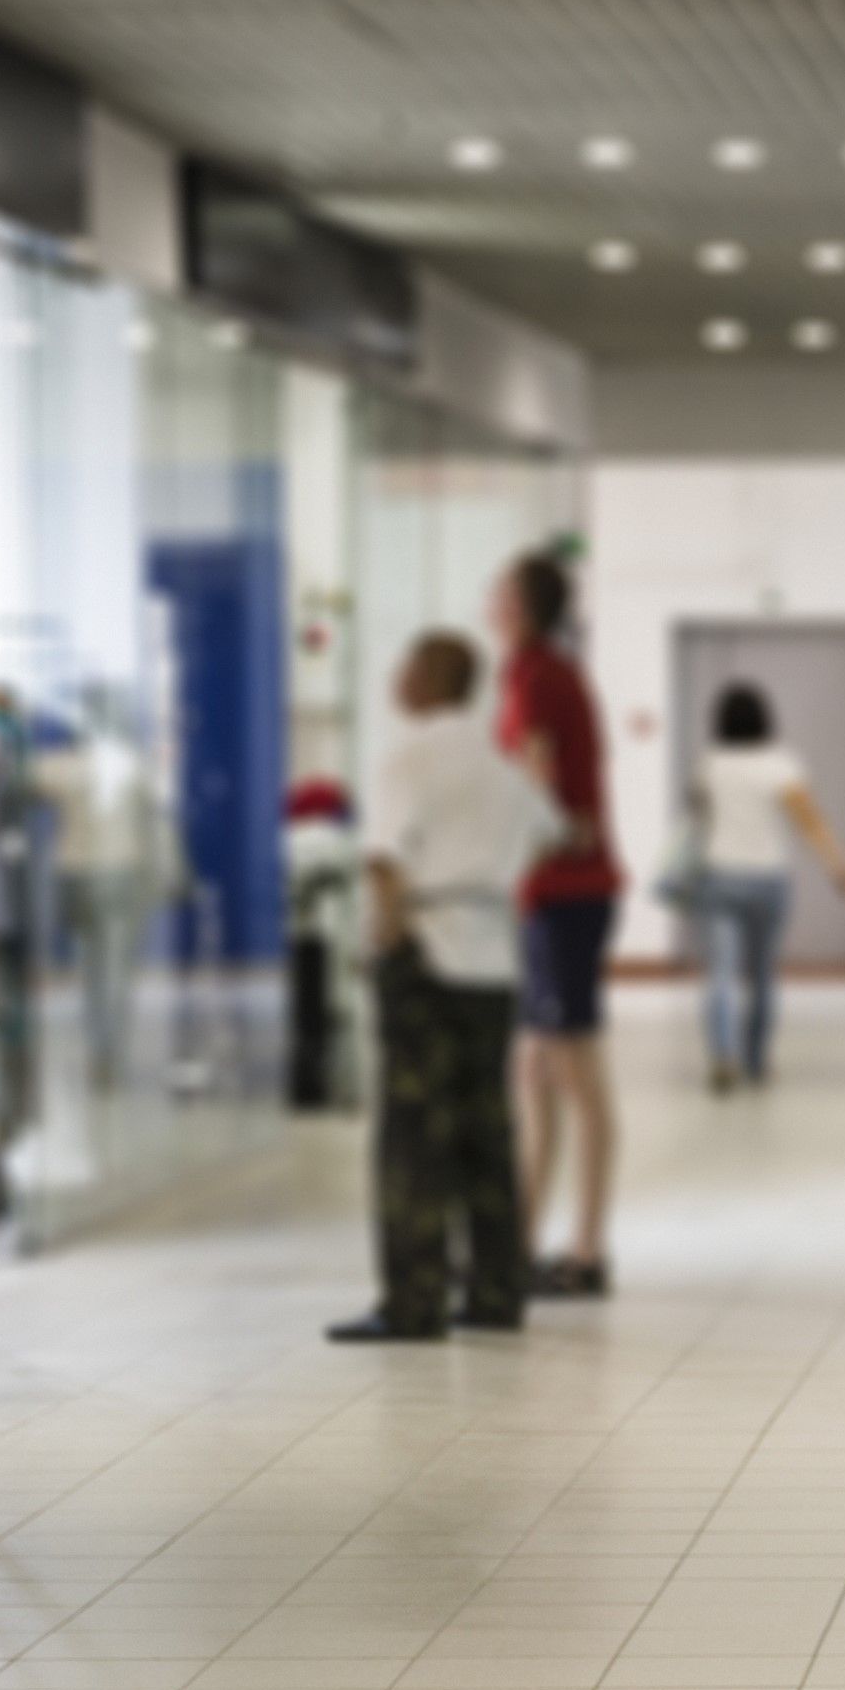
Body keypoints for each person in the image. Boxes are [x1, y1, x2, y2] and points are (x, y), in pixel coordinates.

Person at [330, 630, 564, 1344]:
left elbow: (384, 859)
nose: (395, 677)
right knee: (487, 1130)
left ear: (428, 677)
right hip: (494, 958)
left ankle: (415, 1301)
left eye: (403, 664)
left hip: (427, 951)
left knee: (412, 1138)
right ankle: (498, 1291)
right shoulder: (502, 766)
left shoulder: (407, 757)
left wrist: (385, 939)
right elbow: (554, 831)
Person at [492, 550, 621, 1298]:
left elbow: (535, 787)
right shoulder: (536, 671)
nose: (490, 604)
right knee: (535, 1069)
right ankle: (522, 1240)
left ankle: (586, 1249)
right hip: (551, 892)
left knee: (573, 1070)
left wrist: (518, 849)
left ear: (522, 607)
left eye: (500, 594)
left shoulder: (537, 675)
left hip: (566, 893)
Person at [687, 681, 845, 1093]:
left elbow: (696, 815)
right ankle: (757, 1062)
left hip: (719, 877)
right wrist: (838, 864)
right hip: (768, 881)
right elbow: (808, 819)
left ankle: (722, 1057)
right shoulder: (781, 763)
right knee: (762, 975)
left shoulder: (710, 763)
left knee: (721, 974)